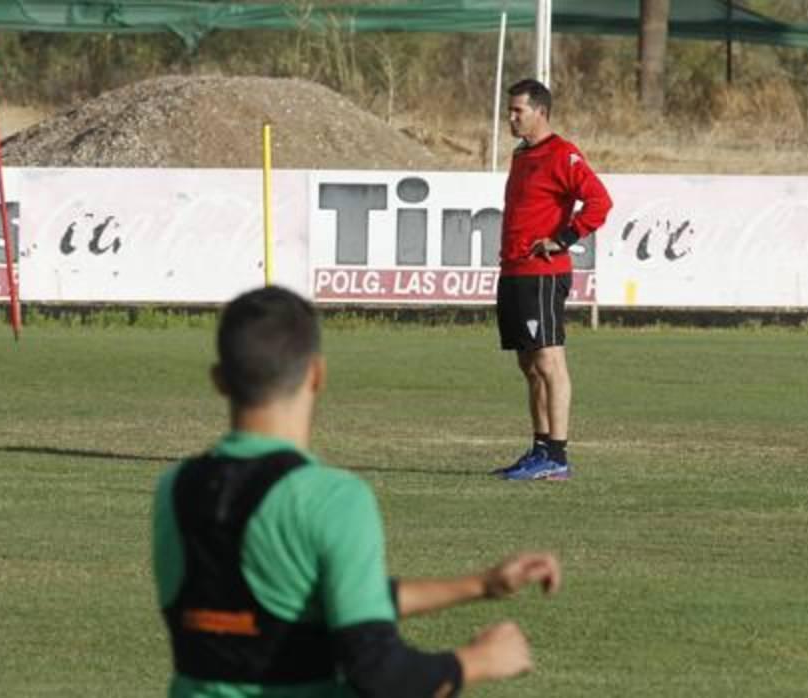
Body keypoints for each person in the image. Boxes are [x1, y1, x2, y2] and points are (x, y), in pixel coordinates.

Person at [152, 285, 562, 697]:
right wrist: (480, 659)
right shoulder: (331, 498)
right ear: (316, 374)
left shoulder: (174, 489)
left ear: (219, 381)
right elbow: (380, 676)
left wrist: (480, 585)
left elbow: (295, 597)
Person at [493, 78, 613, 481]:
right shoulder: (522, 154)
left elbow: (599, 202)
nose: (510, 117)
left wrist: (562, 239)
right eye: (510, 110)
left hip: (542, 274)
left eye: (517, 111)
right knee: (529, 364)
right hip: (514, 271)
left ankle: (558, 456)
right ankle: (540, 448)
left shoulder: (563, 154)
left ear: (540, 111)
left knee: (549, 359)